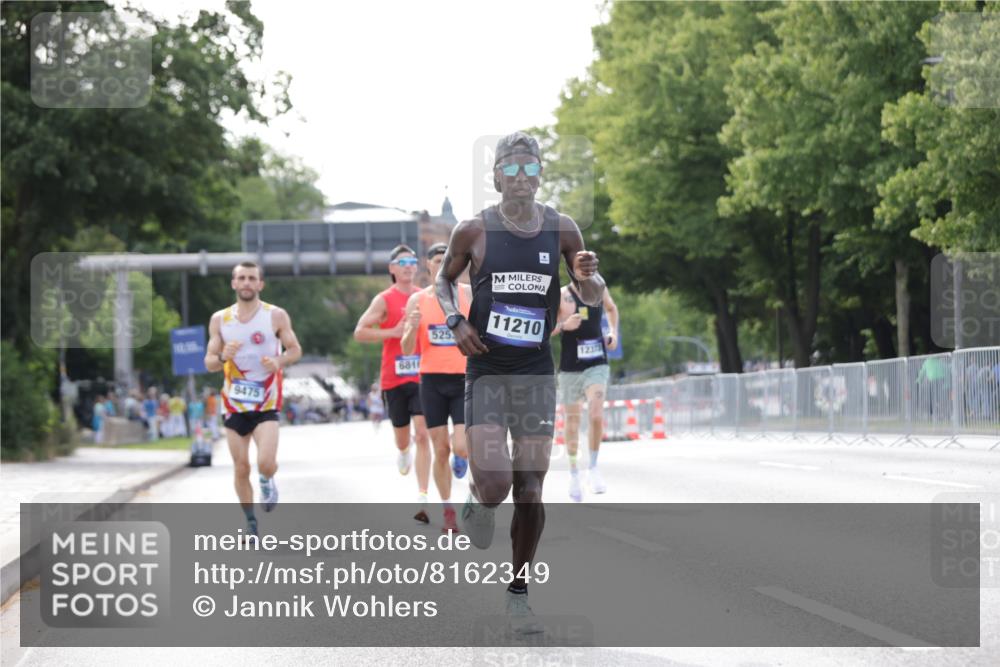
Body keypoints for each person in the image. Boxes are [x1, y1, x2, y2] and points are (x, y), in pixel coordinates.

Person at [435, 132, 604, 634]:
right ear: (497, 177)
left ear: (540, 176)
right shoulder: (474, 231)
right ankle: (477, 500)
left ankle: (518, 592)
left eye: (532, 170)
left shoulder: (561, 228)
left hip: (533, 373)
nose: (523, 179)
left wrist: (588, 275)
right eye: (514, 170)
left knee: (530, 488)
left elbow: (590, 293)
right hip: (487, 370)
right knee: (496, 484)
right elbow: (443, 281)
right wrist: (454, 322)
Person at [205, 261, 302, 538]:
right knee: (240, 466)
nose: (247, 283)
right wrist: (224, 356)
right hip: (234, 402)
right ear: (234, 283)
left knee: (266, 462)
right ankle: (250, 522)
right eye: (241, 278)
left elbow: (295, 349)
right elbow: (210, 361)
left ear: (260, 284)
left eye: (252, 278)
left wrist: (279, 360)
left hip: (266, 401)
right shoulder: (220, 319)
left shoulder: (276, 316)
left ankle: (267, 480)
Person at [354, 245, 433, 523]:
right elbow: (360, 332)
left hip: (423, 376)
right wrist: (393, 332)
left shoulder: (425, 296)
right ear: (392, 268)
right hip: (394, 378)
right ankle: (402, 451)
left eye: (412, 262)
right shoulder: (384, 300)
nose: (409, 266)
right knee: (403, 438)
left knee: (423, 434)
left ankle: (423, 497)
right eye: (402, 262)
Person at [400, 242, 472, 533]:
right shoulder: (417, 301)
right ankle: (448, 511)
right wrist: (411, 328)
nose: (444, 264)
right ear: (428, 266)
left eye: (449, 260)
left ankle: (462, 459)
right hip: (431, 380)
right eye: (438, 260)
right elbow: (406, 351)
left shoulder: (468, 294)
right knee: (439, 449)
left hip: (463, 377)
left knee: (462, 447)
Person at [553, 282, 618, 501]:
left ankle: (593, 467)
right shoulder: (562, 295)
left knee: (596, 414)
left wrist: (612, 332)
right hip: (570, 367)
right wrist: (564, 325)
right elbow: (546, 329)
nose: (586, 271)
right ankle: (574, 473)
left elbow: (611, 308)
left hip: (597, 363)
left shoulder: (599, 288)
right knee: (572, 421)